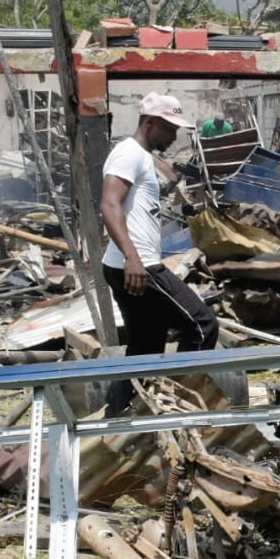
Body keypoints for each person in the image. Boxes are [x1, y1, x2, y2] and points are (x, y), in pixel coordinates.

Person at [100, 92, 219, 414]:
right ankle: (181, 407)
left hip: (129, 264)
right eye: (170, 128)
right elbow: (109, 205)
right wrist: (132, 257)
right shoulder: (129, 153)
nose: (174, 135)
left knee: (146, 345)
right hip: (139, 266)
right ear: (150, 123)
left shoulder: (142, 156)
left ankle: (120, 414)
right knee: (202, 325)